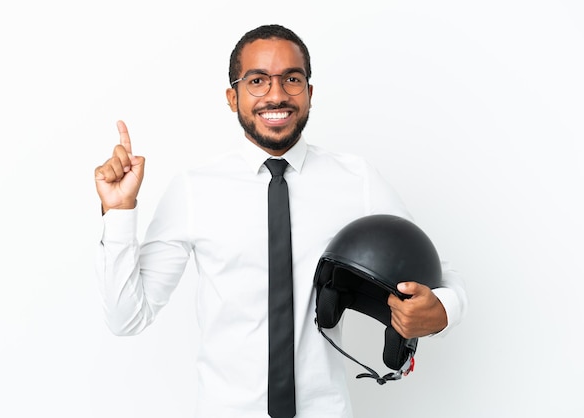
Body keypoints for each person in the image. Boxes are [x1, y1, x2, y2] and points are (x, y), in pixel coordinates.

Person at [94, 24, 467, 418]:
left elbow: (436, 277)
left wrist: (443, 309)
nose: (276, 95)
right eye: (257, 80)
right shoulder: (193, 189)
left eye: (292, 79)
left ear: (309, 92)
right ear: (231, 96)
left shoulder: (358, 180)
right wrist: (119, 214)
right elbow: (126, 317)